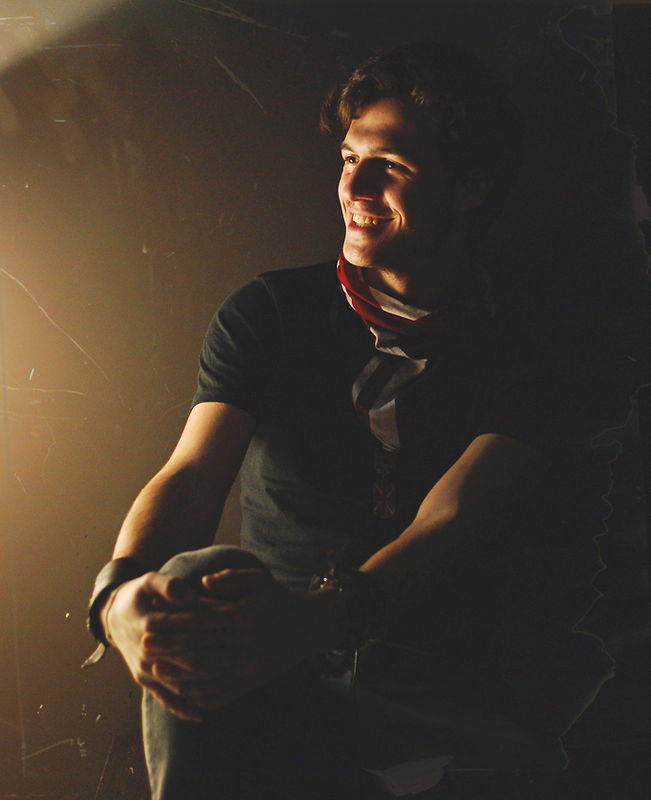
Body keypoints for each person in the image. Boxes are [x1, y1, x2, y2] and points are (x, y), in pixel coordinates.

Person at [85, 41, 637, 798]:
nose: (355, 184)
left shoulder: (534, 340)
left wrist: (316, 620)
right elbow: (190, 474)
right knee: (191, 581)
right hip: (266, 664)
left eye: (391, 165)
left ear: (469, 186)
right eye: (349, 158)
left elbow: (456, 515)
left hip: (441, 687)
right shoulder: (271, 312)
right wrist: (116, 598)